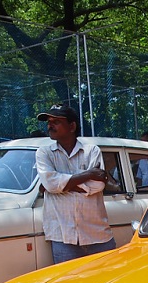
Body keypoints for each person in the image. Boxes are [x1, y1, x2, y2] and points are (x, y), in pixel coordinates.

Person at [35, 104, 116, 264]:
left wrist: (61, 186)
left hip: (97, 235)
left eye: (56, 121)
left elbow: (97, 186)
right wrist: (88, 174)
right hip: (63, 238)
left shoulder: (91, 151)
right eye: (49, 121)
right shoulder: (44, 153)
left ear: (72, 126)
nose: (50, 125)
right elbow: (51, 184)